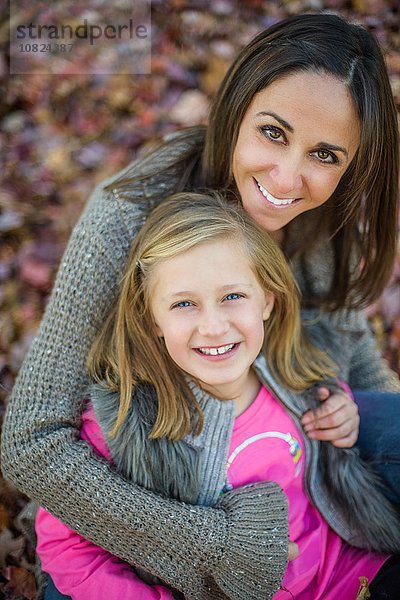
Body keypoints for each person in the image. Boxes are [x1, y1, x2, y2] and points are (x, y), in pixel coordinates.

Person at [1, 9, 399, 596]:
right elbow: (29, 444)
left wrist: (362, 419)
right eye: (273, 132)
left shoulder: (323, 221)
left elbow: (354, 351)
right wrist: (209, 543)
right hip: (140, 510)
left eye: (324, 156)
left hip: (289, 474)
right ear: (236, 111)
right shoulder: (126, 220)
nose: (287, 179)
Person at [35, 193, 400, 600]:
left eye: (232, 297)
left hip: (345, 572)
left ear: (267, 300)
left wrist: (343, 411)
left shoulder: (287, 369)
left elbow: (330, 391)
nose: (213, 326)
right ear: (152, 319)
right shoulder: (126, 425)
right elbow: (67, 547)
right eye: (184, 304)